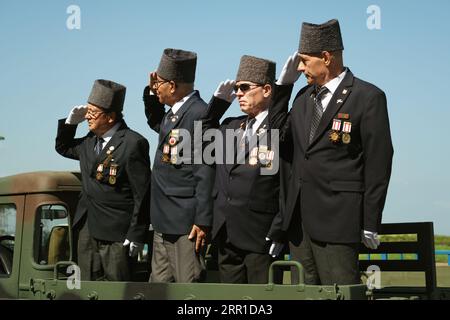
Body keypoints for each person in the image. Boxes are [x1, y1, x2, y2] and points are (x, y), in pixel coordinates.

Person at [271, 19, 394, 285]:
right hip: (299, 223)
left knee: (339, 292)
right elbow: (276, 136)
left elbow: (378, 163)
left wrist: (371, 220)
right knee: (301, 294)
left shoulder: (367, 96)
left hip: (338, 221)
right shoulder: (303, 97)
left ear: (325, 57)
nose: (300, 67)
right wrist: (283, 89)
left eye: (304, 60)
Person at [55, 79, 151, 281]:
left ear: (110, 117)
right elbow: (63, 147)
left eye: (93, 113)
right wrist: (70, 123)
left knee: (116, 287)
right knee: (86, 284)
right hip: (87, 227)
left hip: (116, 232)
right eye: (87, 112)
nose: (88, 118)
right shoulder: (89, 141)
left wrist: (136, 233)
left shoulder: (133, 143)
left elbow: (142, 194)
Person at [205, 55, 289, 283]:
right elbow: (199, 140)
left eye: (244, 88)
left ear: (267, 90)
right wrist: (216, 107)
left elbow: (286, 185)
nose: (238, 93)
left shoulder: (281, 127)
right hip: (226, 231)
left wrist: (279, 229)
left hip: (260, 235)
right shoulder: (230, 125)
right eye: (236, 88)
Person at [143, 48, 214, 283]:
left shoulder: (200, 114)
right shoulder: (173, 114)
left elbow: (205, 170)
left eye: (159, 84)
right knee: (158, 288)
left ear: (172, 86)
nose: (156, 88)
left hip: (186, 224)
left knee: (187, 288)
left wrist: (202, 220)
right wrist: (150, 91)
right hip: (163, 219)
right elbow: (155, 119)